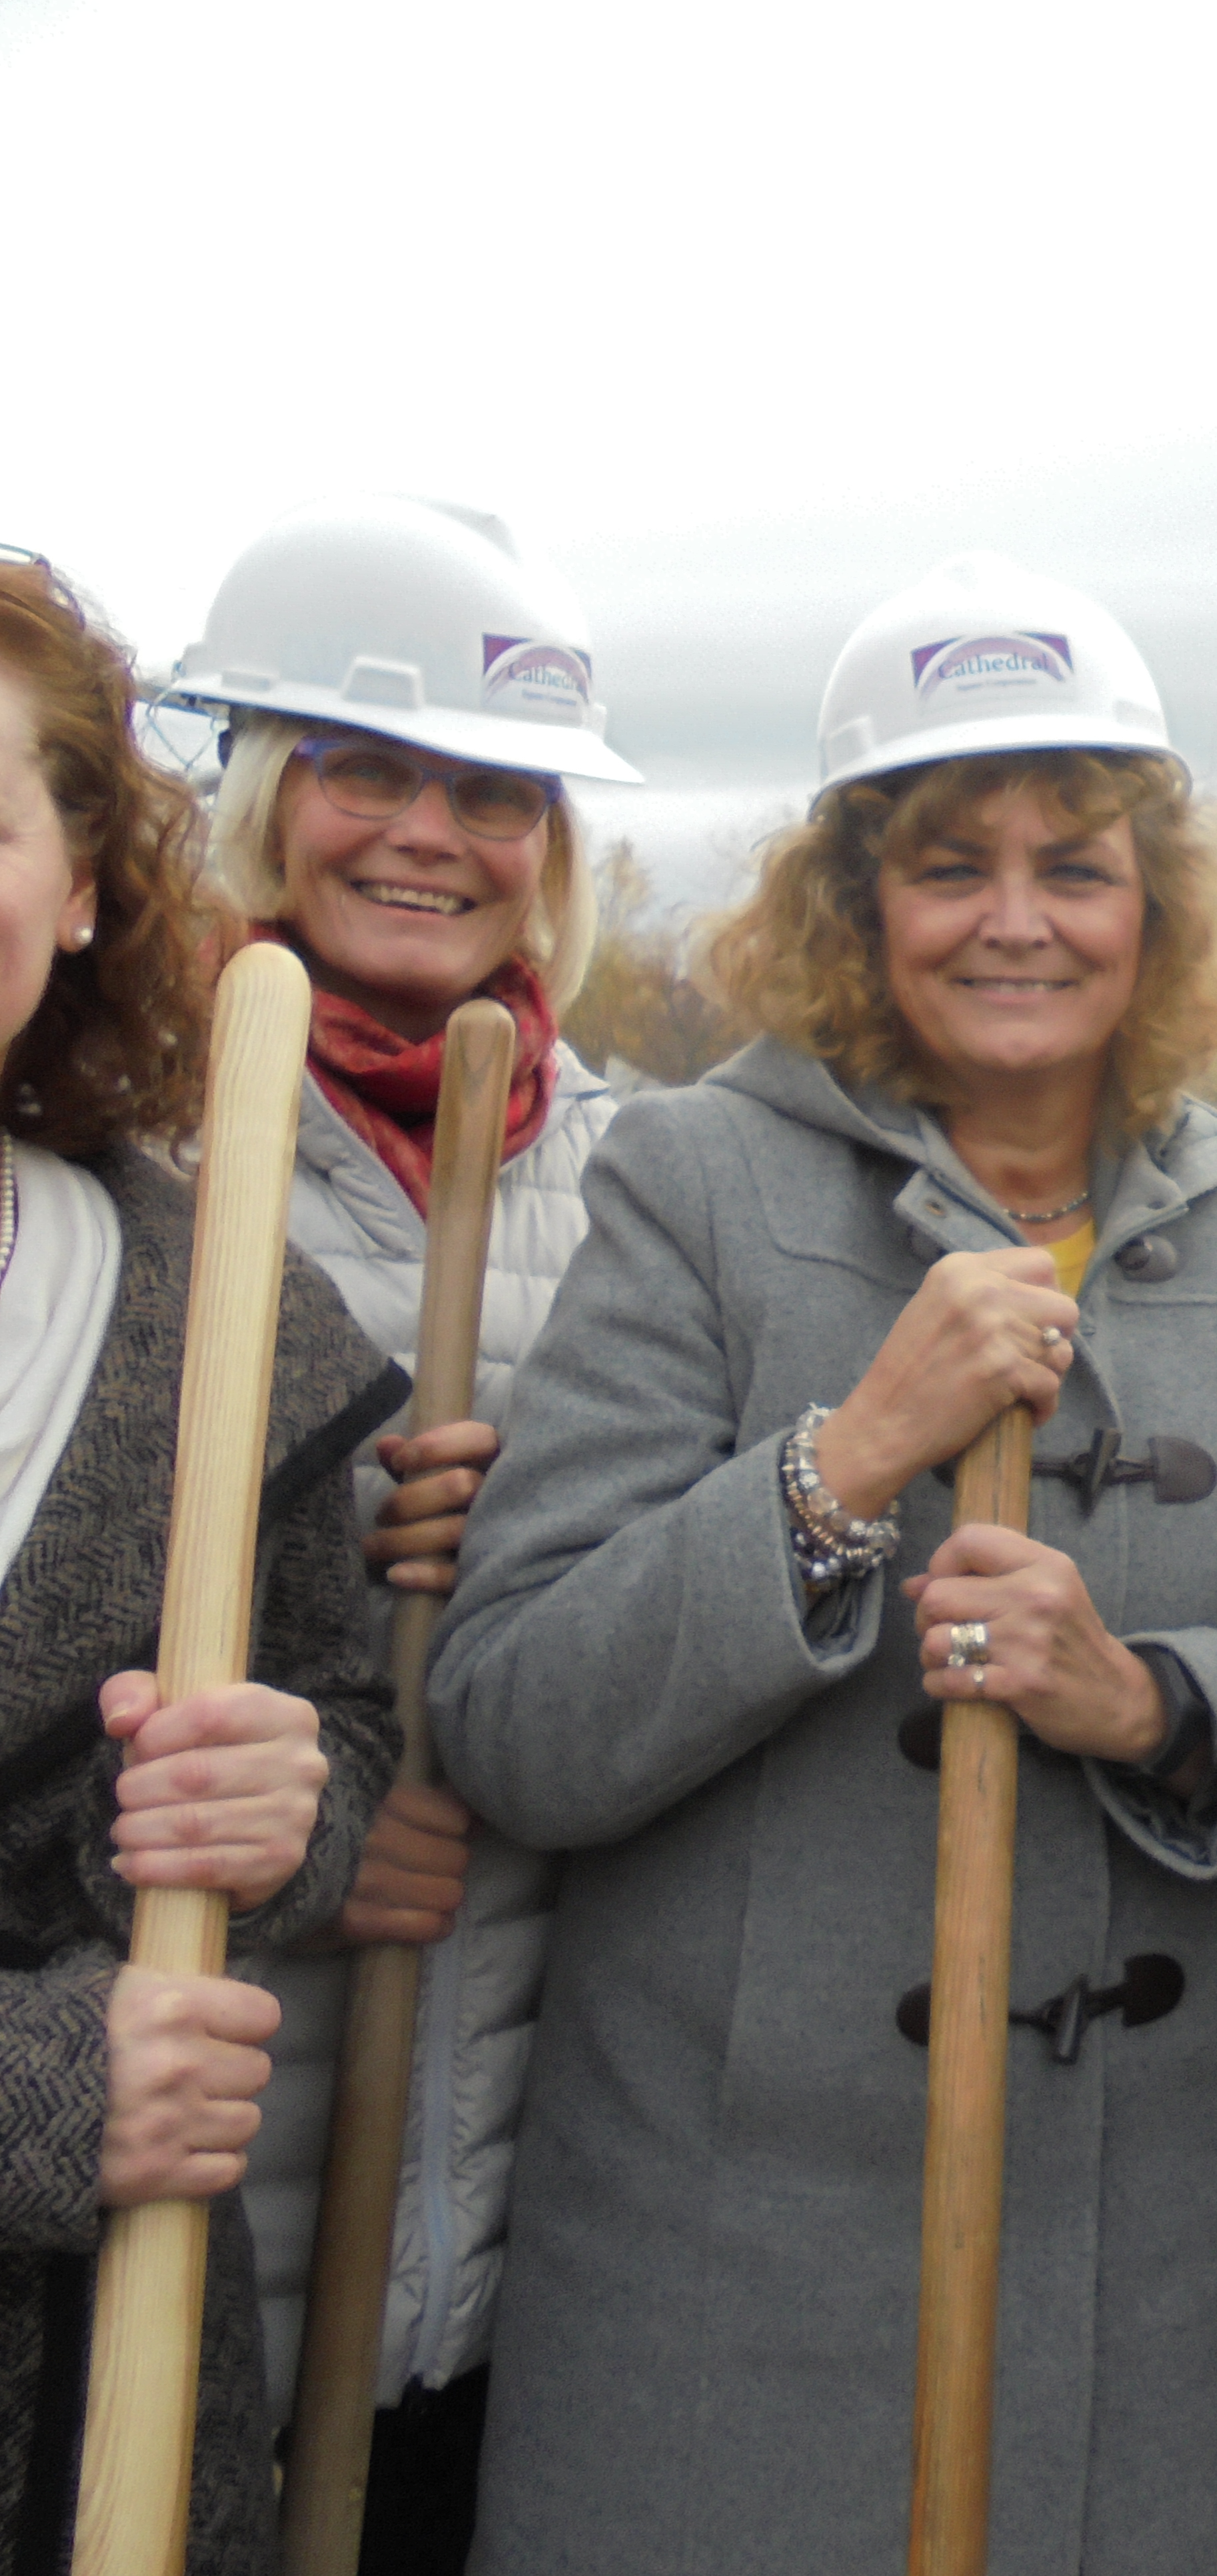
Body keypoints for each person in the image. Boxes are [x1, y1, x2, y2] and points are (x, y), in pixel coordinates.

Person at [427, 552, 1217, 2576]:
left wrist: (1141, 1703)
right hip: (727, 2304)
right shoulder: (696, 1186)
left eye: (1080, 861)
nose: (1021, 918)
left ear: (1162, 904)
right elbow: (517, 1716)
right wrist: (844, 1463)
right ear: (860, 906)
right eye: (952, 863)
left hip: (1144, 2304)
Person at [167, 492, 642, 2576]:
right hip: (207, 2173)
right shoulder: (128, 1151)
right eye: (369, 771)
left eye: (493, 789)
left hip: (534, 2197)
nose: (429, 835)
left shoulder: (641, 1184)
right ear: (266, 794)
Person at [0, 554, 399, 2570]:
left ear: (80, 886)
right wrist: (34, 2094)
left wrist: (286, 1810)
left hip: (106, 2408)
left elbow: (338, 1741)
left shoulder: (200, 1308)